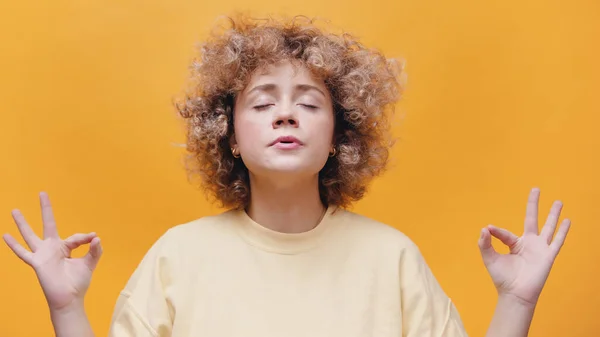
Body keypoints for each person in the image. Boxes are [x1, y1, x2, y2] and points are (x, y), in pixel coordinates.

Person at [3, 14, 571, 337]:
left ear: (337, 138)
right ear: (228, 134)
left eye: (309, 102)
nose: (285, 113)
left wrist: (517, 300)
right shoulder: (177, 256)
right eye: (261, 102)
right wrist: (66, 309)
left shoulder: (391, 258)